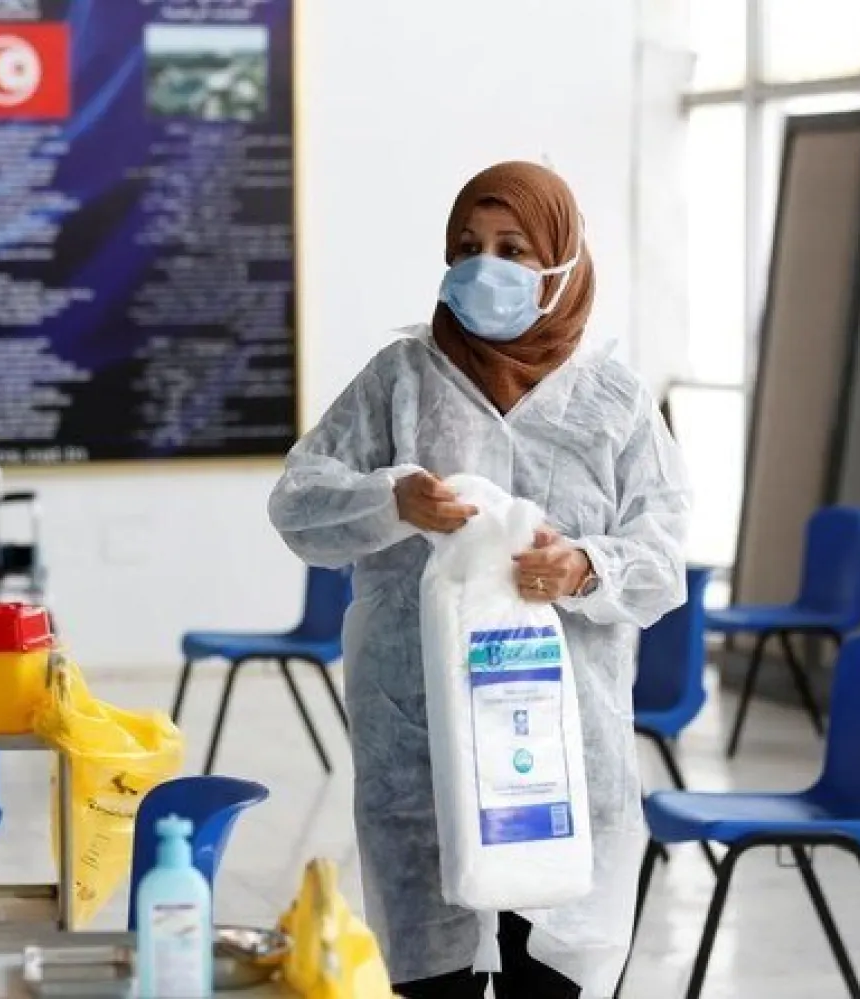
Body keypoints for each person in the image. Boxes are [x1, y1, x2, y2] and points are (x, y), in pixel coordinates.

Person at [268, 162, 690, 999]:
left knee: (551, 972)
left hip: (566, 748)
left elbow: (663, 550)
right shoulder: (401, 379)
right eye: (467, 246)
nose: (484, 266)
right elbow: (298, 502)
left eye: (512, 248)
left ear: (562, 262)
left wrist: (585, 564)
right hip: (419, 736)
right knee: (436, 973)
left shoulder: (612, 401)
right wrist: (392, 498)